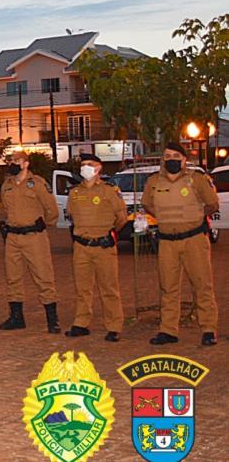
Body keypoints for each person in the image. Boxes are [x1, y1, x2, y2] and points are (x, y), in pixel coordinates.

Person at [142, 143, 220, 346]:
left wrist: (191, 219)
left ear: (185, 159)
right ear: (162, 159)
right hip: (167, 241)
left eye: (176, 155)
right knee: (168, 287)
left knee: (202, 285)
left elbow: (212, 204)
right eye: (167, 156)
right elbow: (148, 205)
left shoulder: (196, 180)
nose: (171, 159)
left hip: (194, 240)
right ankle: (168, 331)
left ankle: (208, 329)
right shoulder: (153, 182)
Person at [64, 153, 127, 342]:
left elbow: (121, 217)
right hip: (82, 247)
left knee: (109, 288)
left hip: (103, 246)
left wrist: (111, 234)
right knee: (82, 288)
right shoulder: (75, 193)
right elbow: (72, 216)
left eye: (89, 164)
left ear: (98, 168)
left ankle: (114, 326)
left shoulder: (109, 191)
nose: (85, 168)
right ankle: (81, 323)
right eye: (83, 164)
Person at [0, 150, 61, 333]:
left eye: (17, 160)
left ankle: (52, 318)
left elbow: (52, 210)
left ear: (26, 163)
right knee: (13, 277)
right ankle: (16, 317)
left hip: (34, 237)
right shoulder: (6, 185)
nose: (14, 163)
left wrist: (42, 225)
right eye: (12, 160)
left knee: (43, 276)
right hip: (12, 237)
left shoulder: (38, 184)